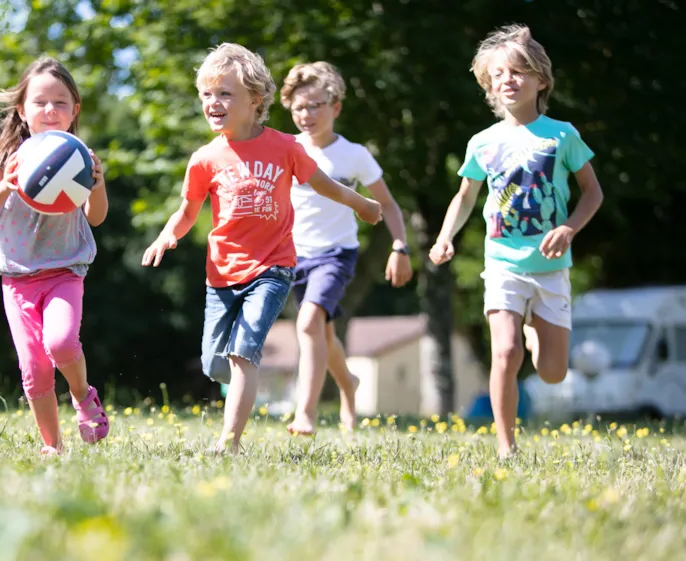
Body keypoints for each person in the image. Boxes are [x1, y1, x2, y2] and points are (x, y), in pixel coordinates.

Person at [141, 43, 383, 454]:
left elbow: (321, 182)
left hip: (273, 268)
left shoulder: (286, 147)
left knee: (242, 354)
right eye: (206, 94)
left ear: (255, 100)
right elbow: (187, 209)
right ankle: (236, 398)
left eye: (224, 94)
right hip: (222, 274)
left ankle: (228, 443)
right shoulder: (204, 158)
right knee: (215, 364)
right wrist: (168, 234)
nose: (212, 103)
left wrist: (359, 203)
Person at [428, 25, 604, 457]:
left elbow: (593, 192)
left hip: (550, 267)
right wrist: (445, 236)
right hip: (503, 262)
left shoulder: (561, 135)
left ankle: (537, 335)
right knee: (504, 352)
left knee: (552, 374)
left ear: (541, 80)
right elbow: (465, 195)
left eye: (521, 71)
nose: (510, 79)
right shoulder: (482, 143)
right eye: (500, 73)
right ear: (489, 83)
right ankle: (507, 447)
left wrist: (569, 228)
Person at [0, 56, 111, 456]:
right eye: (40, 102)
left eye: (61, 102)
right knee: (33, 370)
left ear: (75, 110)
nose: (50, 110)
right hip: (16, 278)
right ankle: (54, 447)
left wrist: (98, 184)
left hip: (64, 269)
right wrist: (7, 185)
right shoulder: (6, 156)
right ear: (22, 109)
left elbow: (96, 218)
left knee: (62, 342)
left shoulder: (79, 157)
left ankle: (83, 396)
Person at [280, 61, 414, 436]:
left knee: (308, 323)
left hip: (336, 254)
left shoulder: (354, 155)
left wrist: (400, 246)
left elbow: (387, 203)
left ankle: (305, 413)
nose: (307, 114)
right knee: (322, 333)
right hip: (293, 256)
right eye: (299, 108)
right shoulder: (287, 149)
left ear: (336, 107)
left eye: (316, 105)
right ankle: (349, 385)